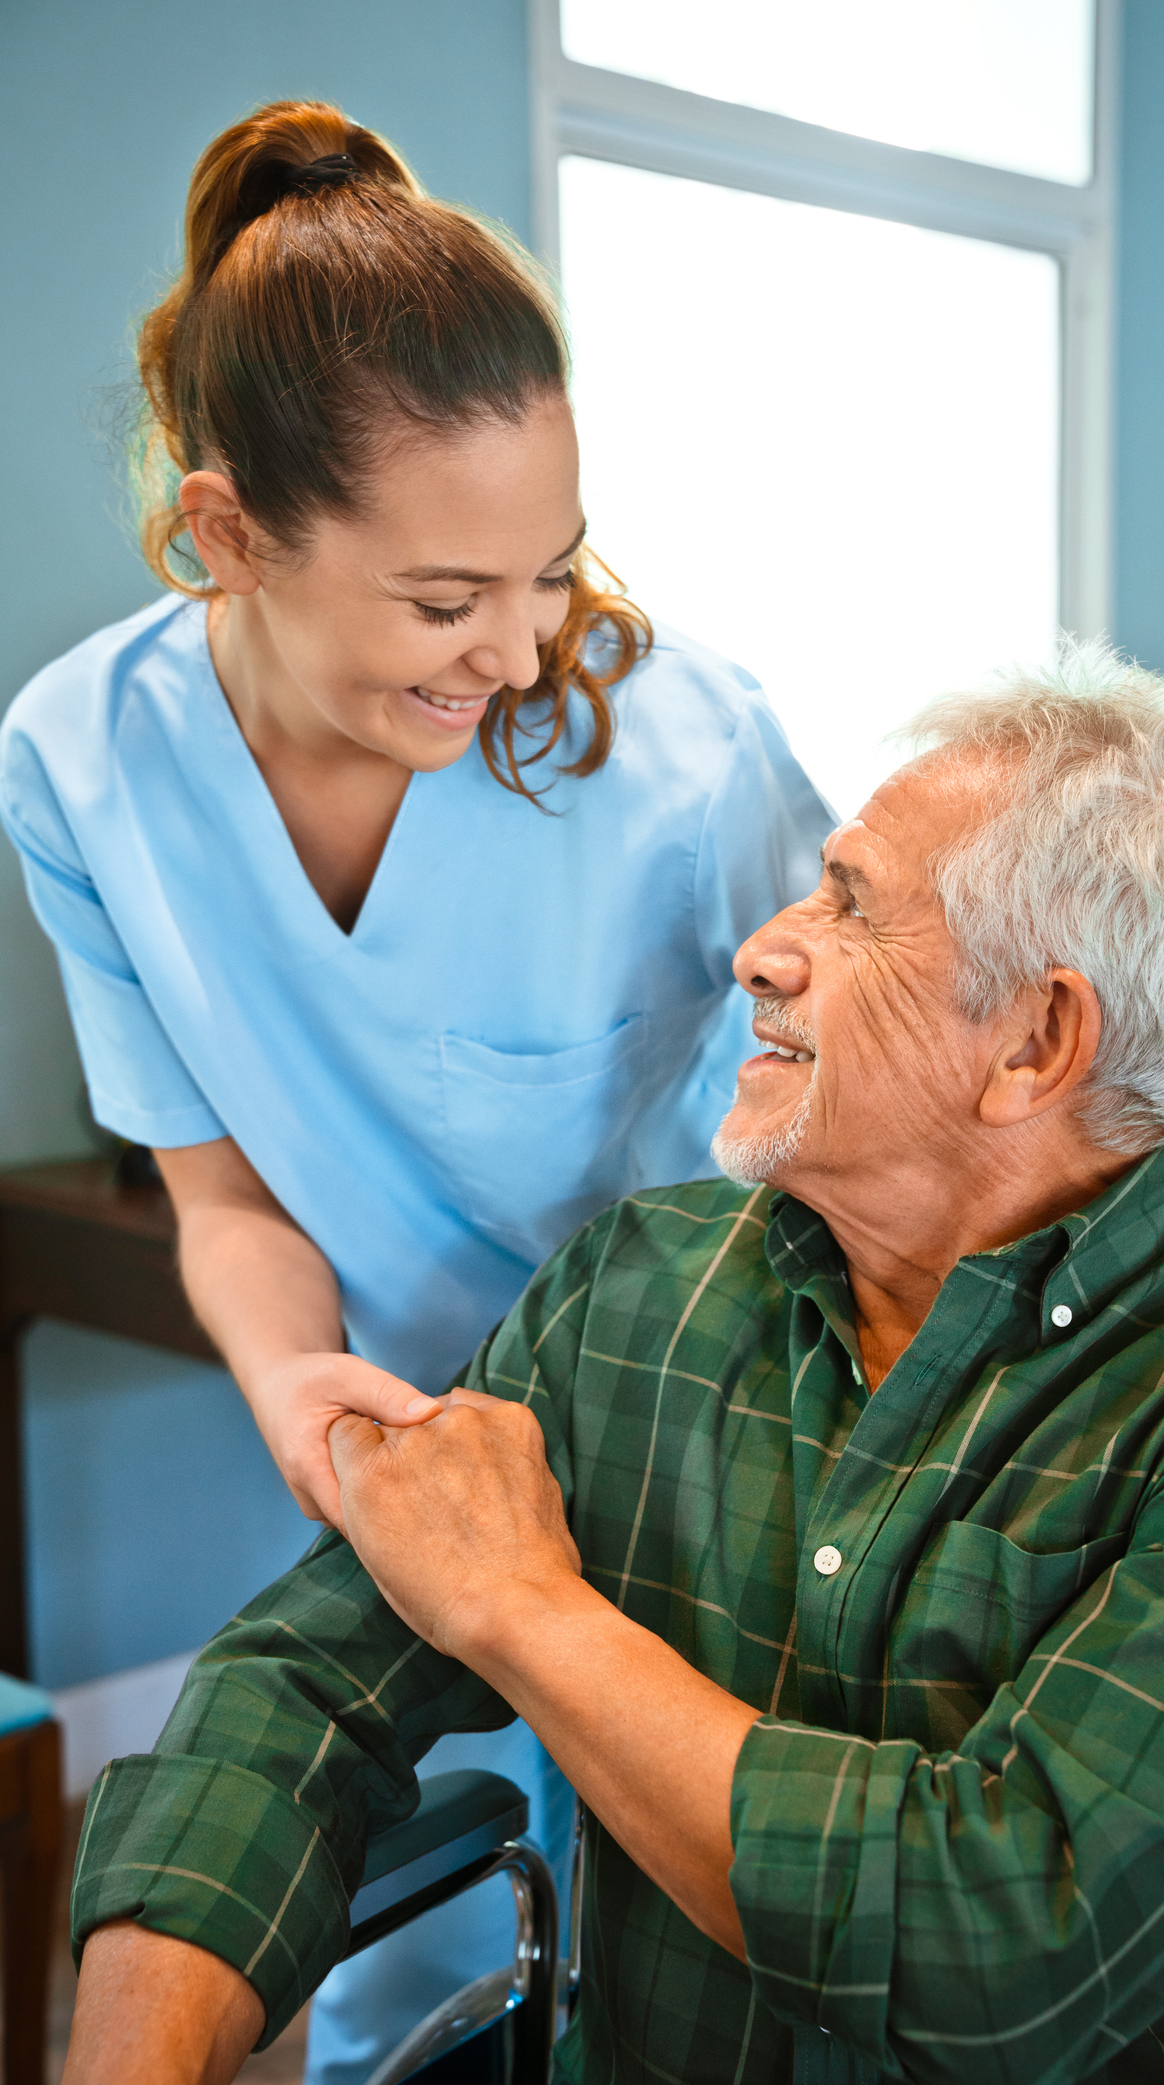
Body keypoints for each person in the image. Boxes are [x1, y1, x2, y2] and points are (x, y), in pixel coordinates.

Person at [63, 648, 1164, 2084]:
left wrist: (523, 1612)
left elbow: (1003, 1951)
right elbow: (298, 1692)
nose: (760, 950)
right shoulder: (639, 1288)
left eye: (851, 910)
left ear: (1033, 1041)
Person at [0, 101, 835, 2085]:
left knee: (695, 1954)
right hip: (419, 1455)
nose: (521, 649)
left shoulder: (677, 746)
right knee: (383, 1928)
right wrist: (297, 1386)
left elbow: (923, 1058)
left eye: (546, 574)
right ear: (229, 536)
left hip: (724, 1433)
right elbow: (221, 1195)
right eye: (446, 600)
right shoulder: (78, 763)